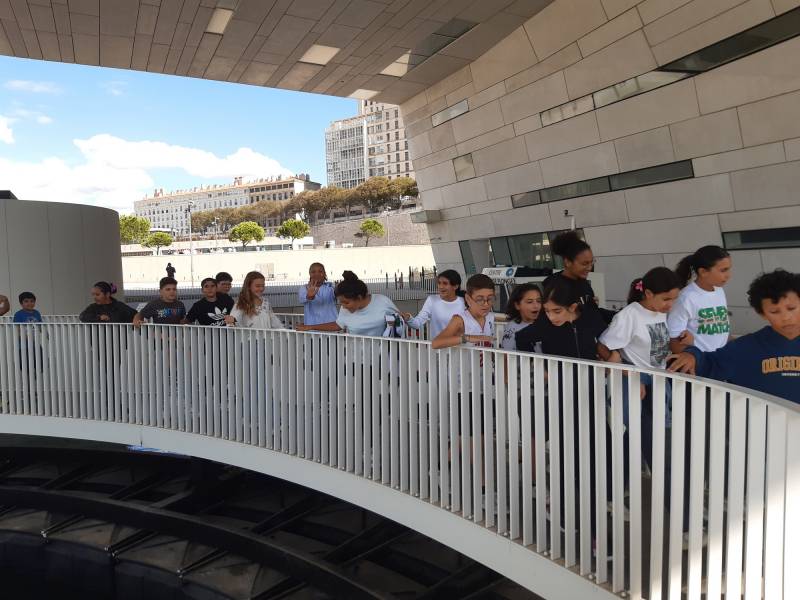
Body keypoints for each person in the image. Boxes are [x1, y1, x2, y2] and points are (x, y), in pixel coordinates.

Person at [669, 269, 800, 401]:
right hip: (761, 420)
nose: (786, 317)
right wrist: (692, 355)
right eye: (774, 311)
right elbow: (709, 364)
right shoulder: (746, 348)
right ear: (762, 314)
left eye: (792, 308)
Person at [599, 267, 681, 373]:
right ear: (648, 294)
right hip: (636, 376)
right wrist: (627, 374)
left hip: (660, 375)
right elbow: (602, 346)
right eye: (666, 299)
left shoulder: (662, 311)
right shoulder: (629, 315)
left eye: (675, 299)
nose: (671, 304)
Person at [516, 279, 606, 358]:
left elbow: (607, 338)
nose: (551, 317)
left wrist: (610, 357)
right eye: (547, 311)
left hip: (590, 375)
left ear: (572, 307)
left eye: (557, 311)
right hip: (557, 376)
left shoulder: (590, 317)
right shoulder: (545, 323)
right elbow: (521, 338)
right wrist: (538, 365)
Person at [668, 245, 732, 353]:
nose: (728, 275)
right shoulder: (685, 298)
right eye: (723, 270)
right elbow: (674, 342)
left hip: (722, 359)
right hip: (700, 363)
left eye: (729, 269)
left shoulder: (719, 291)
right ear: (703, 272)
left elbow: (723, 328)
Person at [299, 271, 400, 336]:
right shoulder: (345, 308)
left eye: (346, 302)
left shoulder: (382, 301)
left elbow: (401, 320)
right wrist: (310, 327)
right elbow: (338, 324)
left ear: (359, 297)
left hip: (382, 359)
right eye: (341, 303)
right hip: (355, 359)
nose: (343, 306)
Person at [543, 231, 614, 324]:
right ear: (568, 262)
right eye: (584, 263)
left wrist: (621, 315)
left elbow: (593, 314)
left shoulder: (583, 282)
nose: (589, 268)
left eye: (591, 262)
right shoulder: (554, 286)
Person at [432, 274, 496, 349]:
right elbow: (436, 343)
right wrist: (467, 338)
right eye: (479, 300)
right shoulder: (459, 320)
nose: (486, 304)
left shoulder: (490, 316)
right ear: (468, 299)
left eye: (490, 299)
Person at [402, 269, 465, 339]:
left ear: (455, 286)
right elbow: (417, 323)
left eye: (445, 283)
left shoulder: (464, 302)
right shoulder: (432, 300)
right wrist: (409, 318)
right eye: (439, 283)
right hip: (438, 348)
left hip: (462, 348)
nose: (440, 286)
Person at [500, 283, 542, 350]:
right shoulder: (512, 327)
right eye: (530, 302)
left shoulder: (546, 324)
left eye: (539, 301)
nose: (536, 305)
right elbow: (506, 355)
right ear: (517, 305)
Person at [295, 263, 337, 329]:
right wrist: (309, 296)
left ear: (325, 274)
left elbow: (339, 294)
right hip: (312, 329)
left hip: (331, 328)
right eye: (313, 272)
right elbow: (303, 299)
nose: (317, 274)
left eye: (320, 271)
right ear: (310, 274)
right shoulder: (304, 288)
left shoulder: (331, 287)